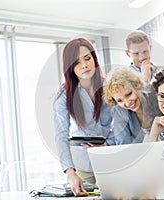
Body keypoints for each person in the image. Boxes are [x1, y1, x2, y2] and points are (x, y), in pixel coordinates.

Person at [53, 38, 114, 196]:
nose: (84, 65)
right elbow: (61, 135)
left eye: (87, 58)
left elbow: (123, 123)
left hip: (111, 160)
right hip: (83, 167)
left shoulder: (110, 86)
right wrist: (70, 173)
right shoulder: (63, 96)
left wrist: (109, 143)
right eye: (76, 62)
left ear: (94, 58)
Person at [103, 67, 161, 144]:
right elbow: (123, 143)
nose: (127, 103)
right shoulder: (120, 111)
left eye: (128, 94)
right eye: (120, 100)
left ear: (137, 86)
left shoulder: (156, 97)